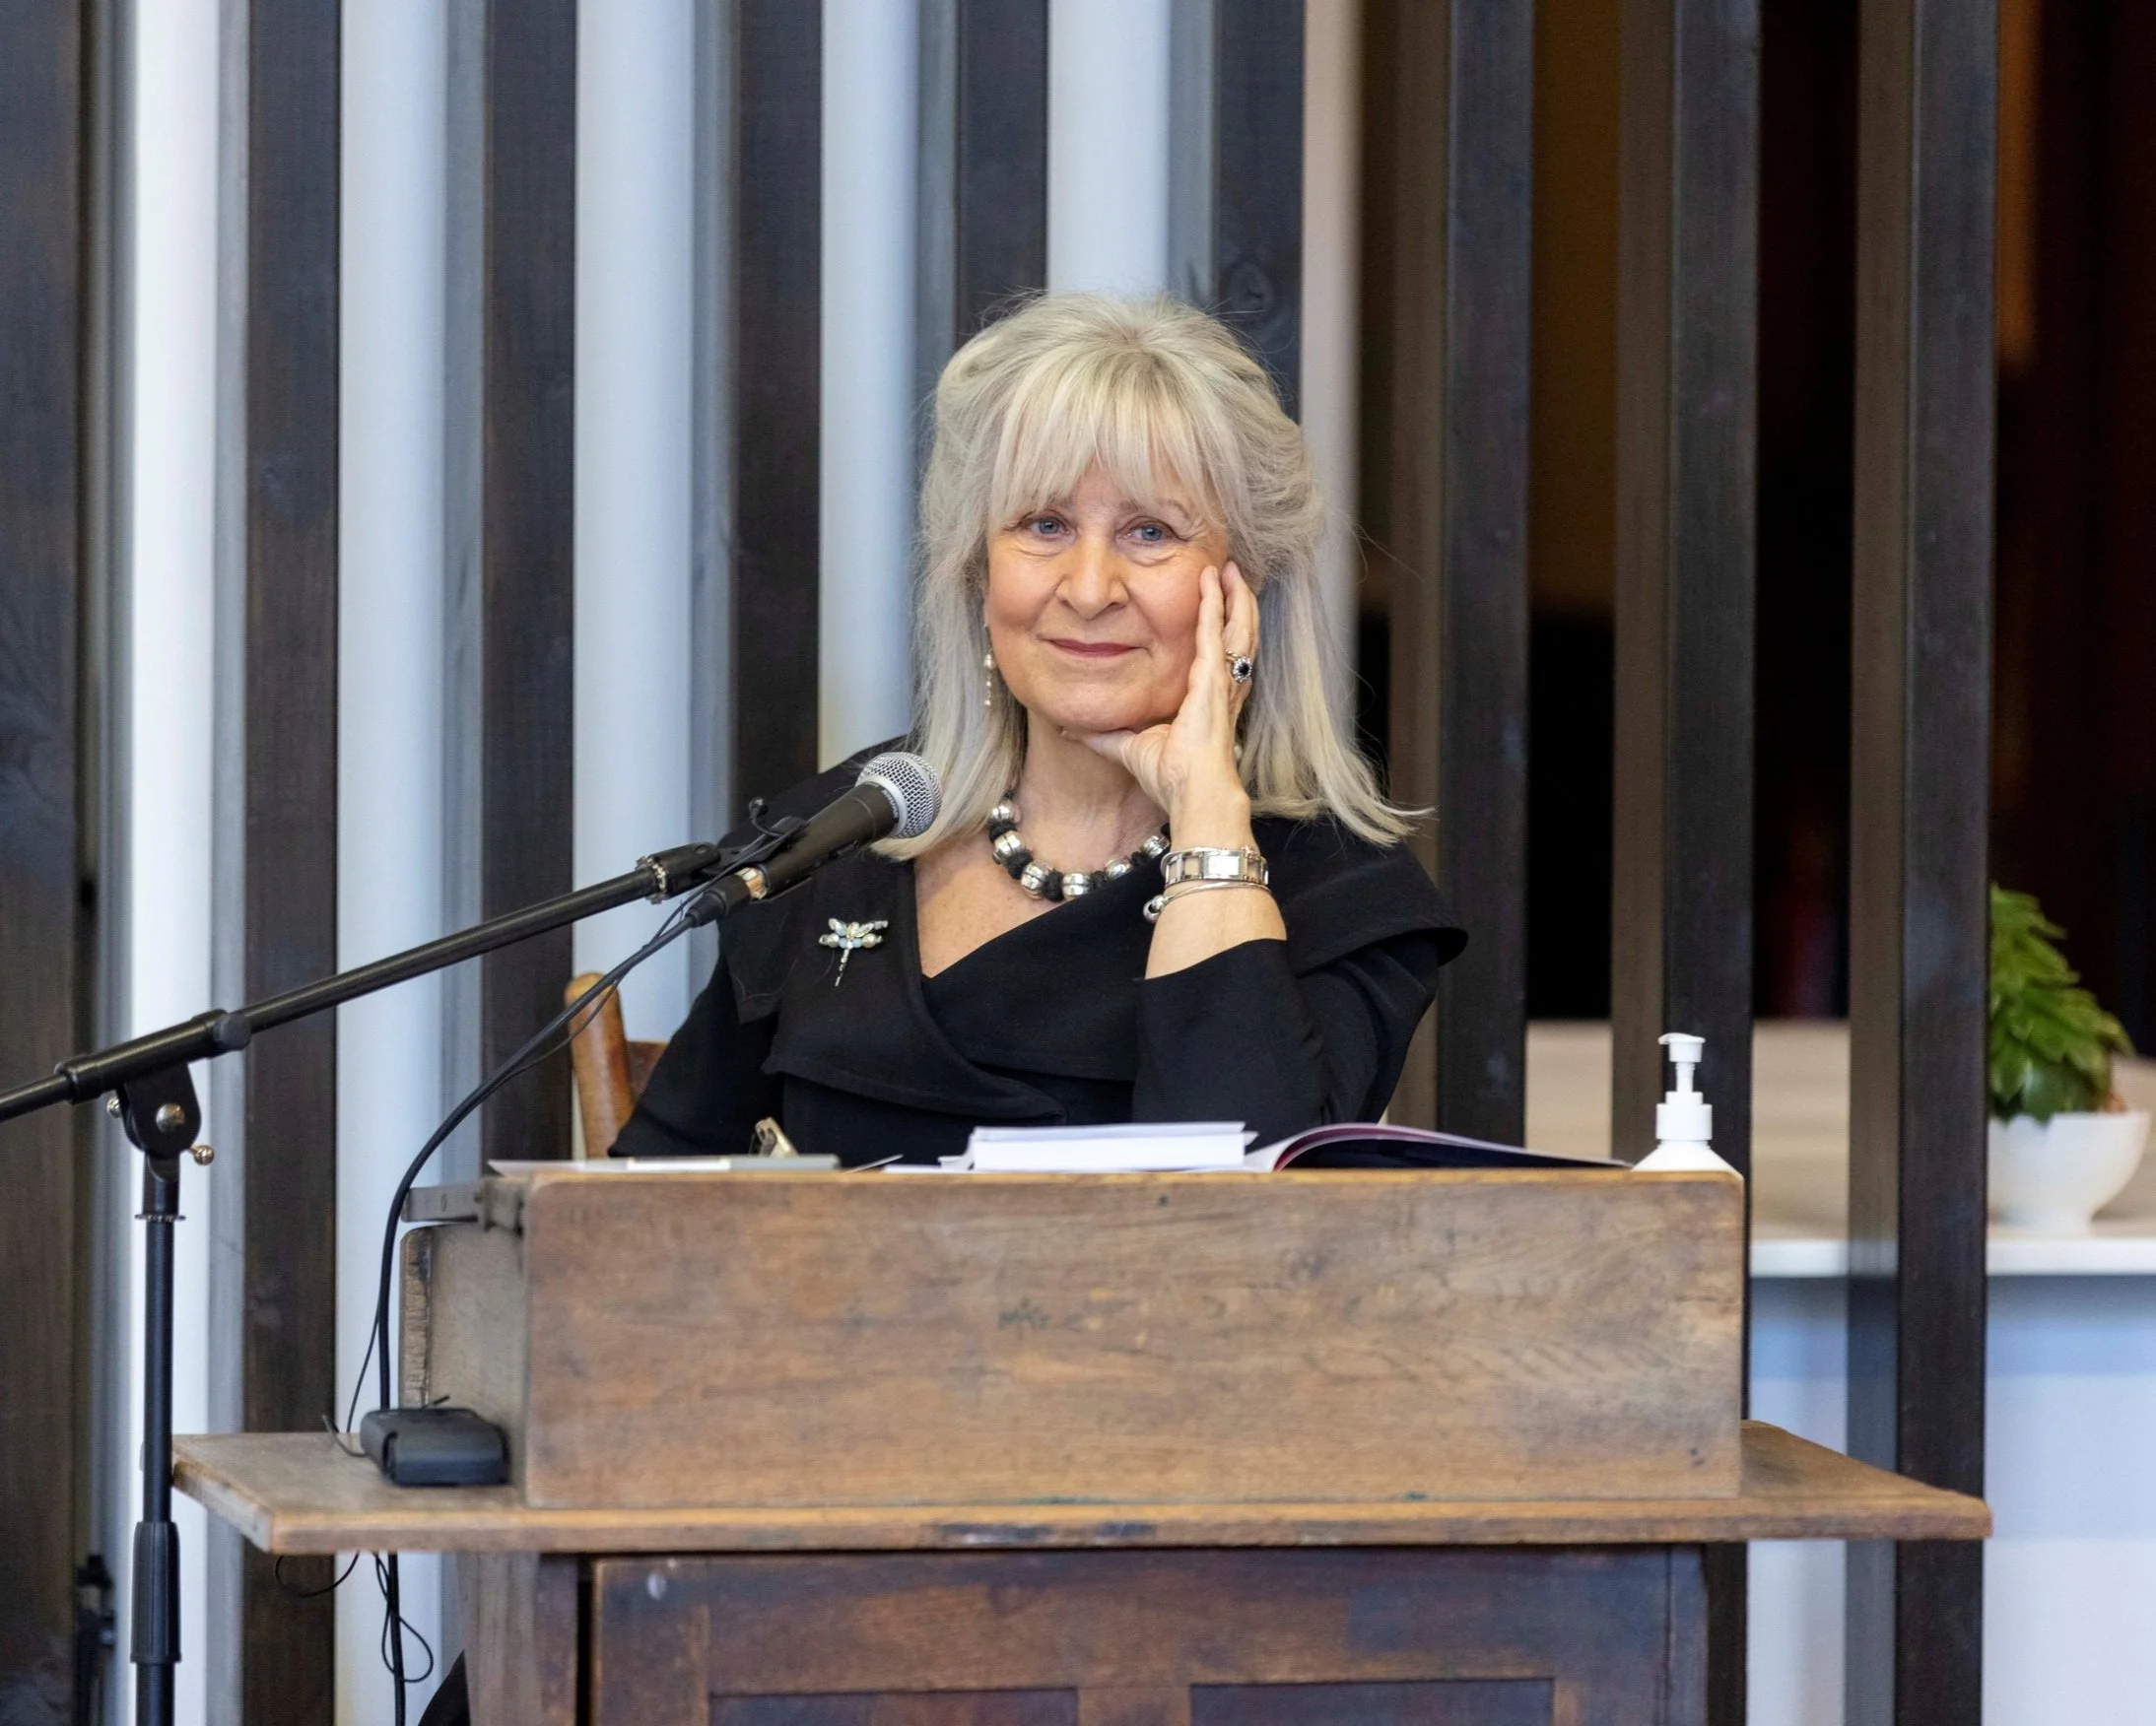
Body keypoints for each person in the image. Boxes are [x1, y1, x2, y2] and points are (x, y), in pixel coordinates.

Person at [613, 293, 1462, 1165]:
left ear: (1244, 587)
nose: (1089, 589)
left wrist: (1208, 812)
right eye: (1044, 525)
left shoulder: (1339, 889)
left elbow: (1243, 1201)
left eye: (1150, 532)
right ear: (978, 572)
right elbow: (644, 1198)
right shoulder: (842, 836)